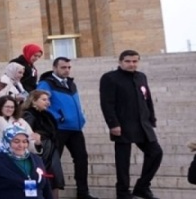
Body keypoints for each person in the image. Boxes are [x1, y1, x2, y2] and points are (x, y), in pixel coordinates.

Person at [99, 50, 163, 199]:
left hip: (143, 124)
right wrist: (113, 124)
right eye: (128, 61)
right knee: (123, 162)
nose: (131, 64)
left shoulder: (141, 77)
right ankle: (122, 192)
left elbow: (147, 99)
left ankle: (142, 186)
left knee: (156, 153)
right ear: (120, 62)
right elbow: (107, 103)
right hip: (122, 125)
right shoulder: (110, 78)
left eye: (135, 61)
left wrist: (151, 118)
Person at [37, 57, 97, 199]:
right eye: (63, 67)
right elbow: (41, 103)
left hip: (75, 129)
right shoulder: (46, 83)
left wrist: (81, 118)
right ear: (55, 68)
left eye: (69, 67)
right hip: (58, 128)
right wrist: (58, 117)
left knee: (81, 158)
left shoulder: (71, 83)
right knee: (53, 161)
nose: (67, 70)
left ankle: (83, 192)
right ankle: (47, 192)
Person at [0, 125, 51, 199]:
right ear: (7, 141)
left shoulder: (36, 159)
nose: (21, 145)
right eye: (16, 141)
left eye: (24, 141)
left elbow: (46, 189)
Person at [23, 90, 64, 196]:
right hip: (40, 152)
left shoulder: (47, 115)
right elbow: (27, 134)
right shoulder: (29, 115)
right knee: (38, 180)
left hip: (50, 152)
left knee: (53, 181)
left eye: (48, 99)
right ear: (34, 101)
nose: (48, 102)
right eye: (44, 99)